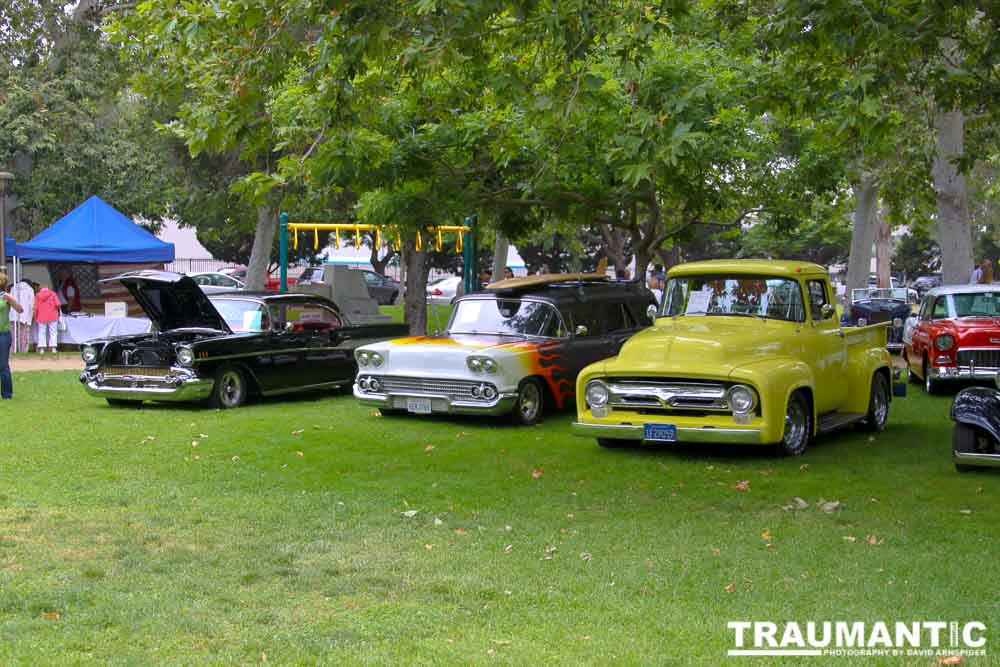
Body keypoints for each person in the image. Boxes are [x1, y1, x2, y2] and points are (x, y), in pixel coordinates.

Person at [0, 272, 25, 400]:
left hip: (3, 335)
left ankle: (7, 395)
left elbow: (20, 309)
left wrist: (11, 300)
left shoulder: (5, 297)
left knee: (3, 365)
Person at [33, 282, 61, 354]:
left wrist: (35, 316)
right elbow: (58, 304)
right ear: (48, 288)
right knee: (53, 332)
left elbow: (35, 307)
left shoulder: (37, 295)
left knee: (41, 332)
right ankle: (53, 348)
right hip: (53, 315)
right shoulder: (53, 294)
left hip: (41, 316)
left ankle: (42, 349)